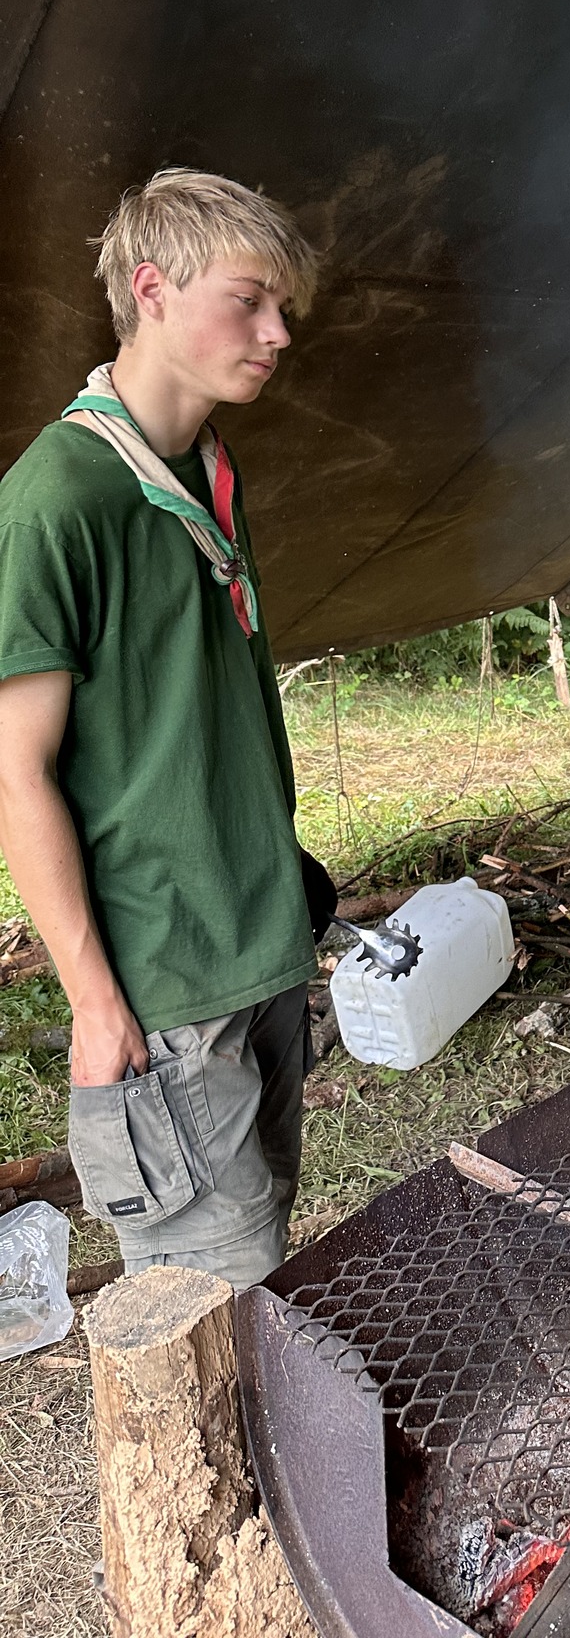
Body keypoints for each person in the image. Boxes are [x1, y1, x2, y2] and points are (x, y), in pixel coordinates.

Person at [0, 169, 326, 1289]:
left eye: (284, 307)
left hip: (257, 940)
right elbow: (14, 776)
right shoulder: (60, 497)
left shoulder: (207, 468)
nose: (277, 333)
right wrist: (93, 1003)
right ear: (151, 288)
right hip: (164, 984)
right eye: (250, 299)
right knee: (207, 1316)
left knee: (261, 1271)